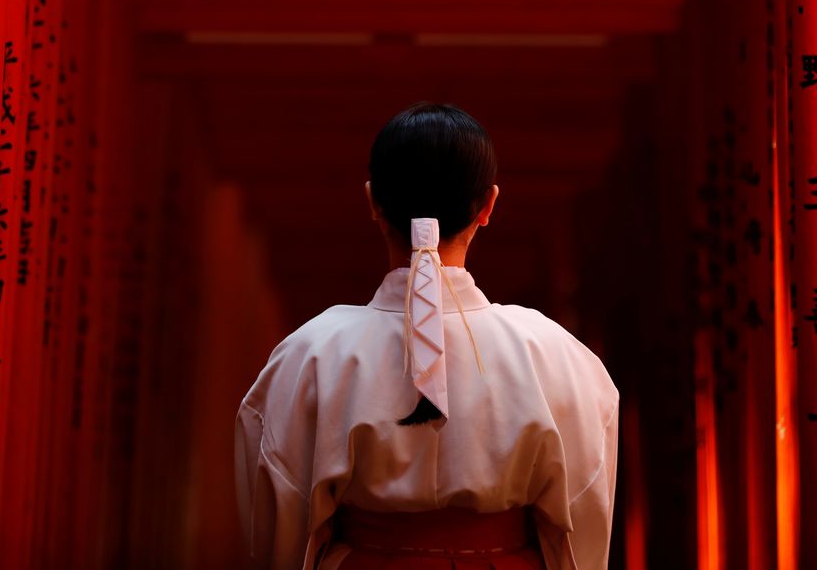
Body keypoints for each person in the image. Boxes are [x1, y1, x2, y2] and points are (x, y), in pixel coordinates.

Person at [233, 103, 619, 569]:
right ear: (488, 206)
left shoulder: (310, 352)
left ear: (374, 202)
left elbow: (279, 523)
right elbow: (584, 521)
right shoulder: (555, 354)